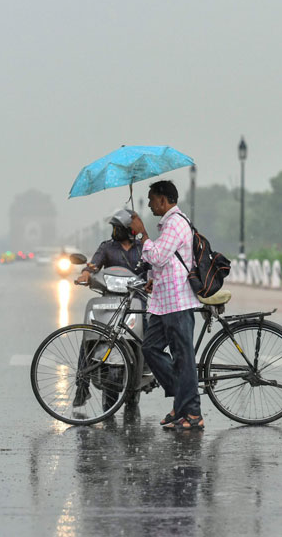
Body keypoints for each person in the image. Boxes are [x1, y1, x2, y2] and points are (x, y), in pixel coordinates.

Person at [129, 180, 204, 431]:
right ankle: (182, 399)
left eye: (152, 198)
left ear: (163, 199)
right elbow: (165, 262)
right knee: (150, 348)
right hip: (163, 302)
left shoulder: (175, 223)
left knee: (184, 358)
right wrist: (152, 280)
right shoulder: (168, 225)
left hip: (178, 301)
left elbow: (158, 256)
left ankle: (192, 412)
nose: (149, 203)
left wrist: (141, 234)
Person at [73, 209, 145, 408]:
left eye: (118, 228)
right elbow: (93, 265)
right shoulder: (106, 248)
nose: (115, 232)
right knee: (90, 335)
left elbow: (153, 268)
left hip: (137, 301)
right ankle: (82, 385)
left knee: (147, 337)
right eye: (114, 228)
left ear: (130, 230)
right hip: (110, 301)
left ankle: (145, 372)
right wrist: (86, 273)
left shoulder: (142, 249)